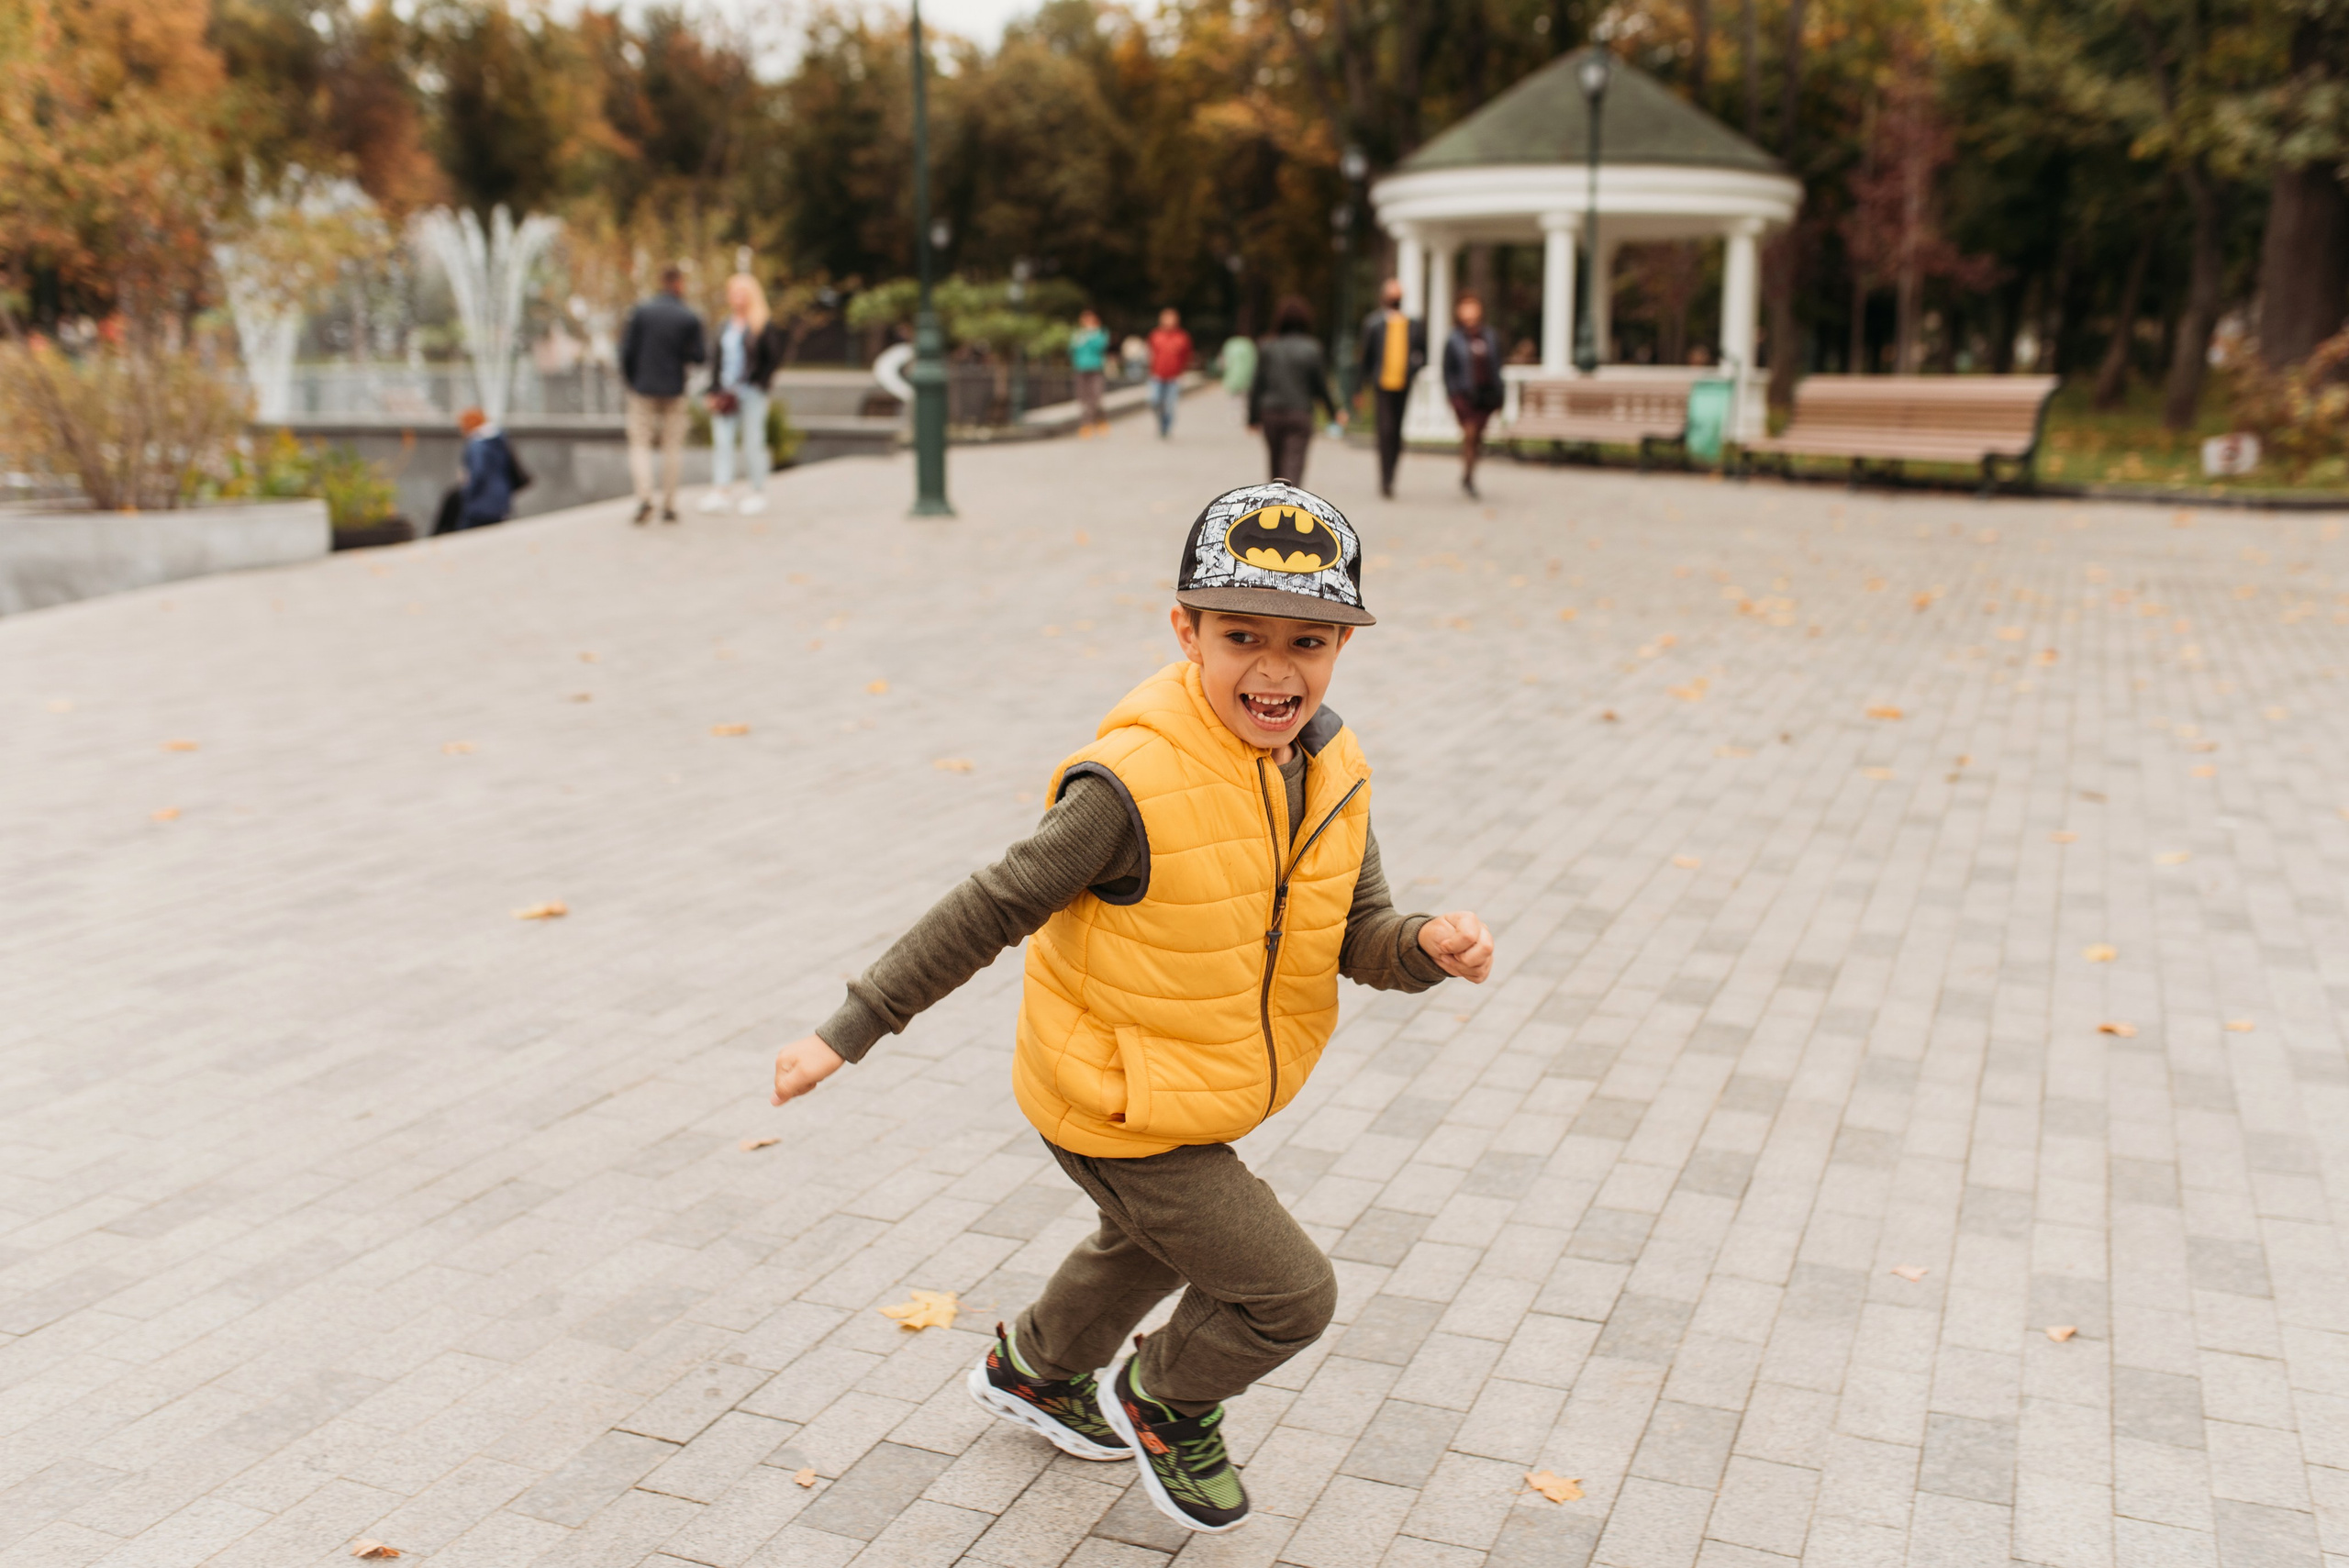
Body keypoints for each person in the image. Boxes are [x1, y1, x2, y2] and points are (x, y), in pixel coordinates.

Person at [763, 482, 1494, 1535]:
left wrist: (1423, 945)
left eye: (1310, 639)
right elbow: (992, 902)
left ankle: (1036, 1368)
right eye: (1241, 634)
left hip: (1191, 1082)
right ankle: (1164, 1394)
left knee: (1152, 1239)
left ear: (1342, 644)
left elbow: (1355, 929)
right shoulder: (1128, 786)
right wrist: (849, 1028)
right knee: (1287, 1294)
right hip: (1111, 1093)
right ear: (1185, 631)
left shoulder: (1333, 768)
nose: (1275, 668)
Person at [618, 265, 707, 525]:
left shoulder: (641, 312)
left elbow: (625, 352)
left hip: (643, 389)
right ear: (680, 284)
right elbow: (700, 357)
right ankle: (669, 504)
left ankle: (645, 497)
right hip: (674, 389)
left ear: (661, 282)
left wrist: (633, 380)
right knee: (672, 447)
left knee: (639, 444)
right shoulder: (689, 317)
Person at [699, 272, 788, 516]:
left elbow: (773, 360)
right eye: (734, 292)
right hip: (725, 393)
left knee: (753, 442)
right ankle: (722, 490)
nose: (738, 298)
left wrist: (759, 384)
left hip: (751, 393)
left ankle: (757, 491)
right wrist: (713, 390)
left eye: (743, 292)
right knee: (723, 442)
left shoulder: (762, 324)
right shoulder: (725, 325)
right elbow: (716, 362)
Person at [1247, 295, 1341, 484]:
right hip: (1299, 413)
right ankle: (1290, 505)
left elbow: (1258, 384)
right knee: (1293, 466)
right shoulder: (1312, 348)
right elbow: (1320, 386)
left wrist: (1252, 418)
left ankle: (1274, 504)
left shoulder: (1267, 346)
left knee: (1275, 465)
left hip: (1271, 414)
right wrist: (1333, 412)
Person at [1354, 278, 1425, 498]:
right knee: (1385, 430)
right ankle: (1385, 479)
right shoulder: (1374, 324)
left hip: (1403, 384)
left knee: (1396, 432)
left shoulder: (1413, 324)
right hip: (1382, 384)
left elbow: (1422, 354)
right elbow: (1365, 358)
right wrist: (1359, 389)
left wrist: (1413, 368)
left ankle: (1391, 473)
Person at [1442, 292, 1506, 500]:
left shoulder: (1489, 336)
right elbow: (1447, 370)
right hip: (1464, 395)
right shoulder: (1454, 339)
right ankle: (1468, 477)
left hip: (1485, 395)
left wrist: (1500, 395)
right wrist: (1452, 394)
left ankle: (1469, 473)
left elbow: (1496, 367)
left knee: (1477, 436)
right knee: (1470, 433)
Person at [442, 406, 529, 531]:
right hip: (501, 499)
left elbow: (478, 472)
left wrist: (468, 491)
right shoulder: (498, 439)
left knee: (465, 536)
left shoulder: (477, 444)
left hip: (480, 502)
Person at [1146, 307, 1193, 438]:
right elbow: (1150, 353)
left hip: (1174, 376)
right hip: (1157, 374)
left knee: (1170, 405)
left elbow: (1186, 356)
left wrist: (1183, 371)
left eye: (1171, 318)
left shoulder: (1182, 337)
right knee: (1154, 401)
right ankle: (1161, 422)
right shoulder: (1155, 335)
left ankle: (1166, 427)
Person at [1070, 309, 1110, 437]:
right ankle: (1087, 424)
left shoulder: (1100, 334)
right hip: (1080, 369)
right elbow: (1071, 349)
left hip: (1096, 369)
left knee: (1096, 397)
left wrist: (1091, 336)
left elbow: (1100, 347)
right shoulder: (1077, 334)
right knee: (1083, 398)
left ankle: (1096, 421)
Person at [1217, 332, 1257, 400]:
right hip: (1247, 383)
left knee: (1234, 405)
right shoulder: (1249, 344)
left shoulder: (1230, 344)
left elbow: (1222, 364)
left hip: (1232, 382)